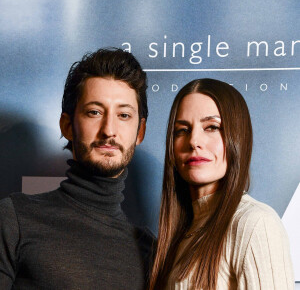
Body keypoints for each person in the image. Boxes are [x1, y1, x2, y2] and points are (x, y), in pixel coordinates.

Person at [0, 48, 154, 289]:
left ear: (140, 132)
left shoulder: (149, 251)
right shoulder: (15, 219)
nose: (109, 130)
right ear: (67, 126)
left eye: (124, 115)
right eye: (94, 112)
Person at [149, 78, 294, 290]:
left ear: (238, 137)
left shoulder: (255, 223)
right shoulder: (179, 235)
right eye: (182, 130)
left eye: (212, 127)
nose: (194, 141)